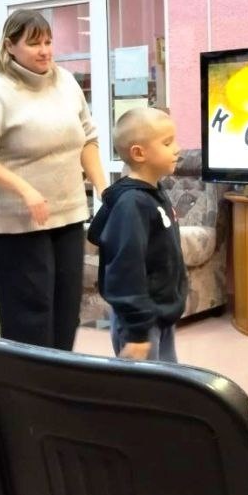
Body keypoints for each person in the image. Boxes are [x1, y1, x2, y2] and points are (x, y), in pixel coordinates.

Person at [0, 9, 108, 349]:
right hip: (16, 226)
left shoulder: (65, 82)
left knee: (66, 313)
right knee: (30, 317)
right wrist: (25, 189)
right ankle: (26, 382)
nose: (45, 51)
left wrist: (104, 189)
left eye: (49, 42)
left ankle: (58, 376)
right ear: (10, 46)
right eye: (34, 43)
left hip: (68, 217)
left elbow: (88, 138)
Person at [87, 107, 186, 362]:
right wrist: (138, 331)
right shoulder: (131, 203)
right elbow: (124, 268)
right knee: (143, 385)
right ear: (139, 153)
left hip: (159, 314)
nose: (177, 149)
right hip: (140, 324)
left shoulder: (153, 192)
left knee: (166, 380)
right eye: (167, 143)